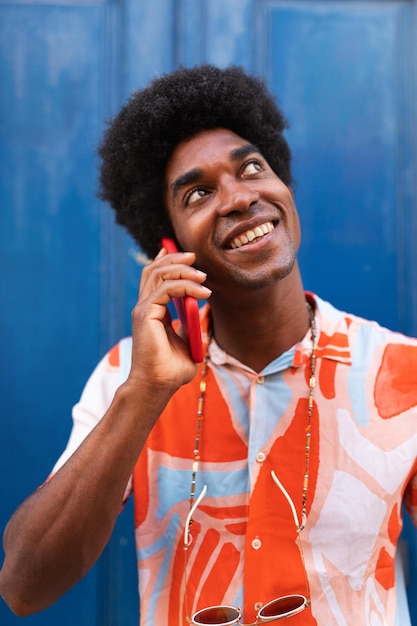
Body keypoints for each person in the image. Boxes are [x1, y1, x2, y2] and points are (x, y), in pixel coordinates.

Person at [0, 64, 416, 626]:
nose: (240, 198)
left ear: (284, 188)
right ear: (169, 247)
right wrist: (144, 393)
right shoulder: (127, 376)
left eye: (252, 169)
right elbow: (25, 587)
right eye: (198, 193)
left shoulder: (402, 372)